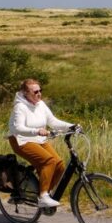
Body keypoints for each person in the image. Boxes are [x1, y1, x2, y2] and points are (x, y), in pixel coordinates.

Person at [7, 78, 75, 208]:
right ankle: (43, 196)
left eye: (40, 90)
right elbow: (17, 129)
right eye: (35, 92)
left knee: (59, 164)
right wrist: (37, 131)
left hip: (38, 139)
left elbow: (53, 122)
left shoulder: (40, 104)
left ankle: (45, 192)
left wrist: (72, 126)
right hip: (21, 140)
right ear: (25, 93)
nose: (39, 94)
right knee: (49, 161)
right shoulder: (20, 107)